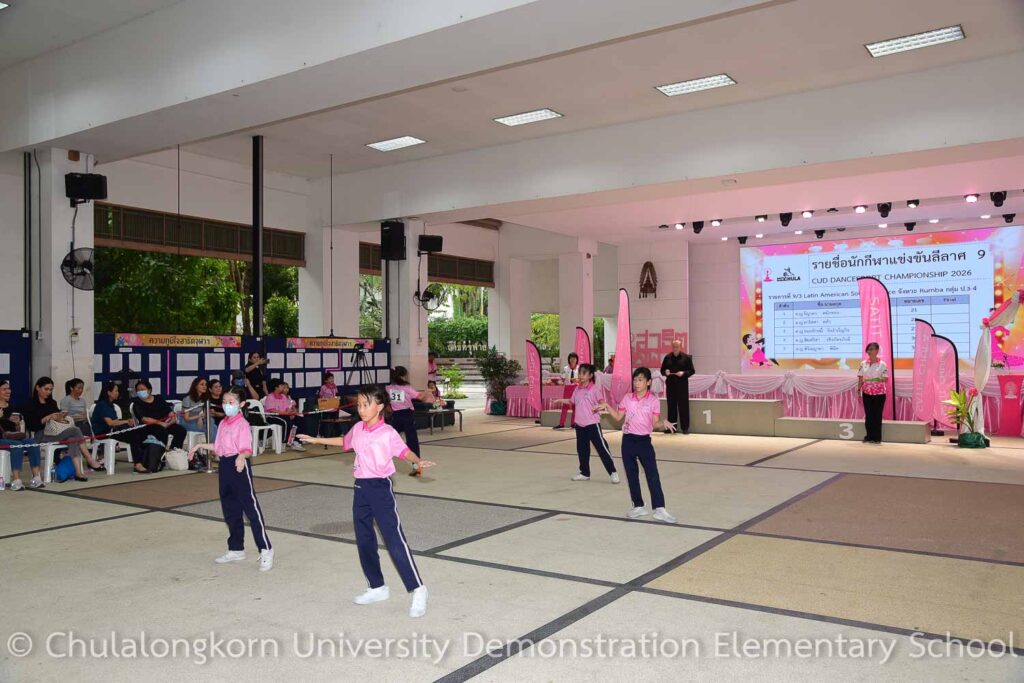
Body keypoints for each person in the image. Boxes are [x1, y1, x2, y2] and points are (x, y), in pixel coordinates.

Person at [297, 385, 435, 618]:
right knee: (364, 539)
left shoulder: (388, 433)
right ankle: (377, 586)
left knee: (394, 540)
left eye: (365, 404)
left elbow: (404, 452)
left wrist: (417, 461)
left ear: (379, 406)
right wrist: (315, 439)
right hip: (360, 488)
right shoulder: (358, 428)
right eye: (359, 405)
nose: (361, 409)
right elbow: (344, 442)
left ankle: (418, 589)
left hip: (380, 489)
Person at [188, 386, 274, 572]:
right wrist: (199, 446)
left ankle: (266, 549)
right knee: (230, 509)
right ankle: (236, 548)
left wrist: (241, 457)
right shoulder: (223, 423)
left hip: (239, 465)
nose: (227, 405)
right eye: (224, 402)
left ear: (241, 404)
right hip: (225, 466)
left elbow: (247, 449)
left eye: (231, 402)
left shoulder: (242, 424)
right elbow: (219, 447)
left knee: (251, 509)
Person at [598, 367, 678, 523]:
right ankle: (638, 506)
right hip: (628, 441)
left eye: (640, 380)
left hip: (644, 442)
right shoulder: (627, 398)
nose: (637, 383)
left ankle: (660, 509)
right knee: (632, 475)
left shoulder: (653, 400)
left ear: (648, 382)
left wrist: (663, 423)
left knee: (652, 474)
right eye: (635, 379)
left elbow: (654, 423)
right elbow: (618, 417)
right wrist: (607, 406)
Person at [23, 376, 101, 480]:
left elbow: (57, 419)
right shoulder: (30, 404)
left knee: (73, 438)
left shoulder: (52, 403)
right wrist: (46, 418)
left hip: (56, 431)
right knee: (75, 430)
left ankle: (78, 472)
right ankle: (89, 459)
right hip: (41, 434)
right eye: (46, 389)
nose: (48, 392)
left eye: (51, 390)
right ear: (38, 388)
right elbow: (31, 426)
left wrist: (60, 417)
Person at [552, 363, 619, 484]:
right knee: (582, 450)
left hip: (592, 424)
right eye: (580, 373)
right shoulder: (577, 389)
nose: (581, 376)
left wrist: (601, 406)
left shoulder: (594, 389)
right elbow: (571, 401)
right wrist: (560, 400)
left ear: (590, 375)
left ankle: (613, 472)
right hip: (580, 425)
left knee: (602, 448)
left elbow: (602, 401)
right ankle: (584, 473)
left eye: (584, 373)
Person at [92, 382, 149, 474]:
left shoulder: (111, 405)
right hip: (104, 433)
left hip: (113, 430)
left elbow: (115, 421)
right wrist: (125, 421)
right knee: (134, 435)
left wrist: (126, 422)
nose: (118, 393)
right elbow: (110, 423)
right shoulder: (102, 405)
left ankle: (143, 461)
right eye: (116, 391)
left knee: (140, 431)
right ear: (109, 393)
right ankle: (137, 464)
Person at [386, 366, 432, 476]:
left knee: (388, 441)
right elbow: (420, 397)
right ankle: (416, 467)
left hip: (396, 416)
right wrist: (427, 392)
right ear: (402, 376)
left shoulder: (388, 388)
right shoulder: (406, 387)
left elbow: (387, 403)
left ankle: (380, 464)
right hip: (407, 415)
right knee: (412, 442)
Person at [0, 379, 44, 489]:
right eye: (4, 389)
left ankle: (36, 477)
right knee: (17, 445)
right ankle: (16, 480)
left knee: (32, 443)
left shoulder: (11, 407)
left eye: (9, 389)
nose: (8, 391)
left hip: (11, 437)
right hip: (2, 439)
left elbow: (15, 430)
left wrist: (16, 423)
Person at [131, 379, 187, 450]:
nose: (140, 392)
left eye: (142, 389)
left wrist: (172, 420)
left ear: (149, 390)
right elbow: (145, 419)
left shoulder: (159, 398)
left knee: (181, 430)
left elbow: (170, 412)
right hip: (149, 426)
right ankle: (160, 453)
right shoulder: (137, 403)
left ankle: (174, 451)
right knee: (161, 431)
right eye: (138, 390)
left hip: (166, 423)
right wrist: (160, 423)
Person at [660, 339, 695, 434]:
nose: (675, 348)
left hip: (682, 386)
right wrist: (665, 372)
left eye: (677, 346)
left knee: (683, 407)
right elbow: (662, 370)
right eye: (674, 346)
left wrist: (683, 373)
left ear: (680, 347)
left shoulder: (686, 358)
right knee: (671, 407)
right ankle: (672, 428)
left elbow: (692, 371)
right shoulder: (667, 357)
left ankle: (685, 428)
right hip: (670, 386)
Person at [858, 342, 888, 444]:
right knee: (869, 415)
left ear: (877, 351)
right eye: (868, 349)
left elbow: (885, 378)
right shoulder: (863, 363)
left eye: (872, 349)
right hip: (866, 392)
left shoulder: (882, 364)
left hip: (879, 393)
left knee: (877, 415)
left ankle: (877, 437)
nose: (869, 351)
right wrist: (858, 390)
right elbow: (860, 378)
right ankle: (869, 436)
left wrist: (876, 379)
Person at [263, 380, 306, 451]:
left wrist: (292, 413)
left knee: (299, 419)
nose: (283, 387)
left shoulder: (283, 396)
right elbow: (272, 410)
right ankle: (283, 443)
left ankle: (296, 442)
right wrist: (286, 414)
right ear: (276, 387)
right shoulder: (270, 397)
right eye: (281, 385)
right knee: (285, 422)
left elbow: (287, 408)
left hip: (284, 415)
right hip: (272, 416)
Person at [181, 377, 217, 442]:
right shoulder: (187, 399)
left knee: (212, 422)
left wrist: (202, 417)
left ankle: (211, 445)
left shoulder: (205, 398)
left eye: (205, 385)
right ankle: (211, 446)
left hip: (197, 420)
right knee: (212, 427)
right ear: (196, 386)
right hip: (187, 422)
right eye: (202, 384)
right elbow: (186, 418)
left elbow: (204, 413)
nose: (205, 386)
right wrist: (199, 417)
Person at [553, 352, 581, 430]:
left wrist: (577, 380)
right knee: (565, 406)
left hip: (576, 388)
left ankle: (573, 423)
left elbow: (582, 378)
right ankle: (561, 423)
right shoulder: (565, 368)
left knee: (575, 406)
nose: (573, 360)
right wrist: (561, 380)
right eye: (571, 358)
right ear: (569, 359)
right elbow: (562, 378)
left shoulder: (579, 368)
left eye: (574, 358)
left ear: (577, 359)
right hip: (567, 387)